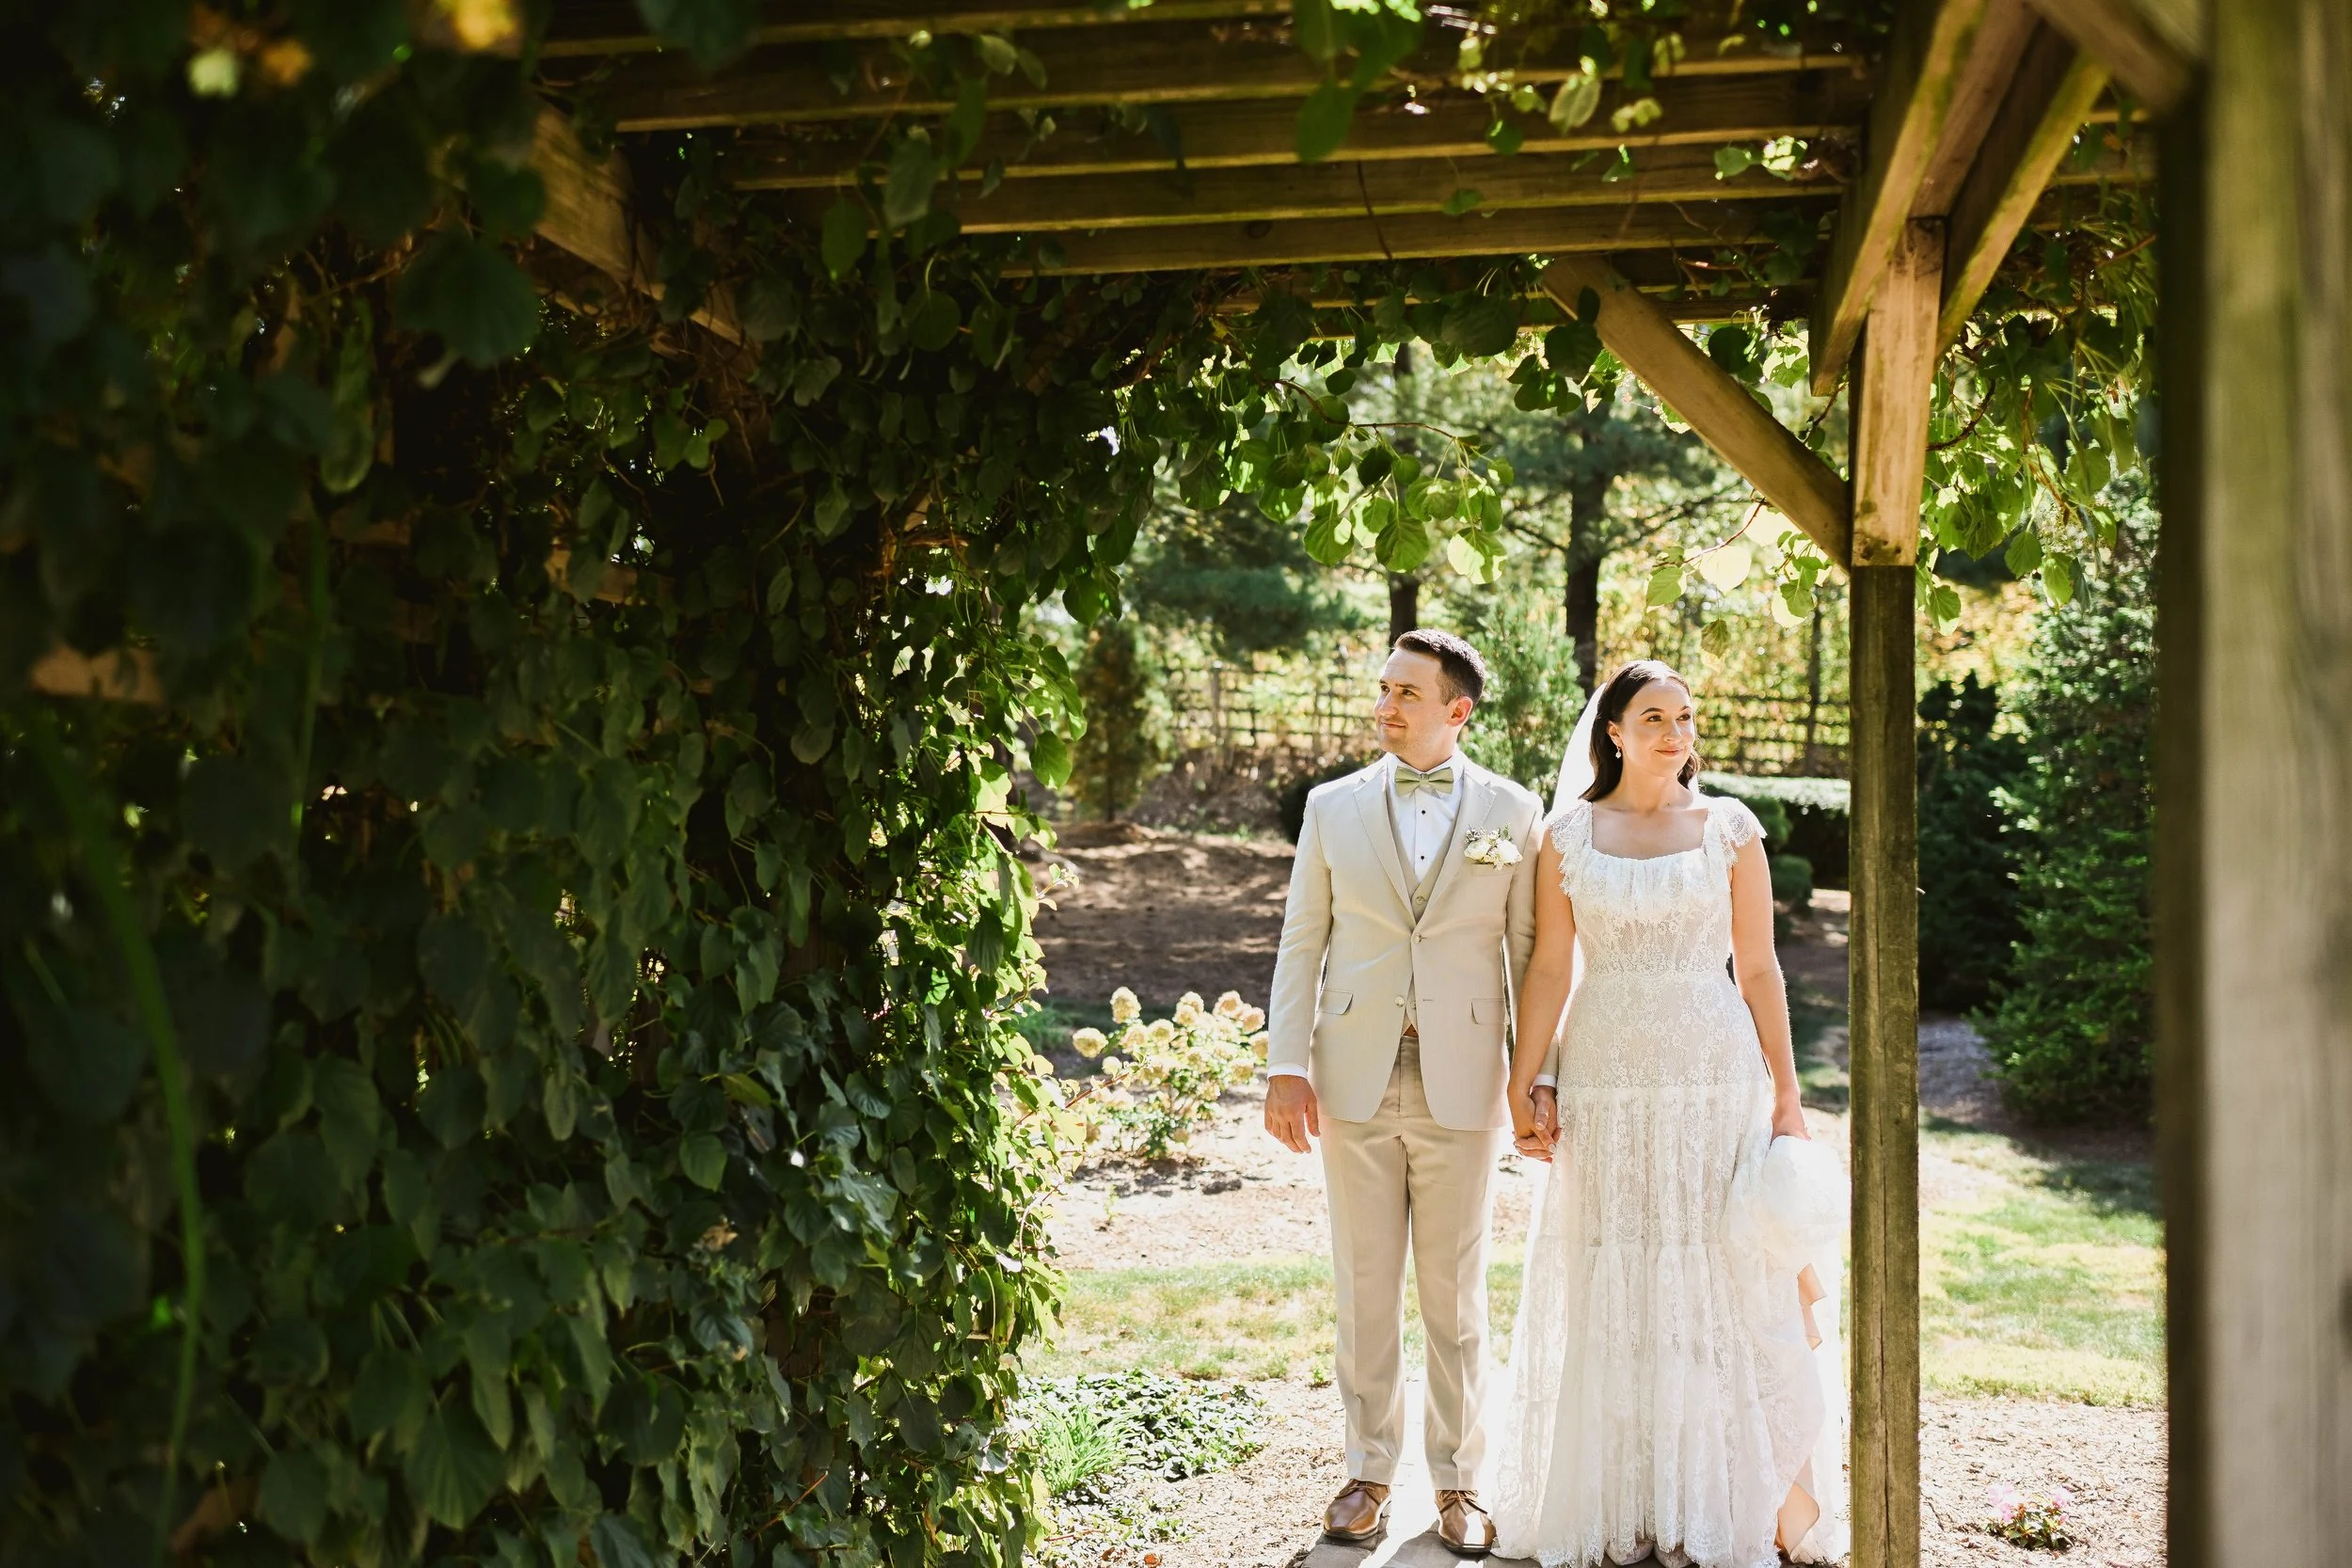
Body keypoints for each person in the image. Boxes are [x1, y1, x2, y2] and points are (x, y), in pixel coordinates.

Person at [1488, 657, 1849, 1568]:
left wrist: (1786, 1093)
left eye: (1684, 716)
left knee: (1720, 1277)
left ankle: (1723, 1503)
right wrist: (1524, 1076)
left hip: (1713, 1077)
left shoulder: (1729, 829)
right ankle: (1627, 1502)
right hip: (1605, 1077)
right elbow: (1547, 969)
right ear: (1613, 730)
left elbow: (1760, 968)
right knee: (1619, 1266)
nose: (1675, 732)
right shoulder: (1568, 834)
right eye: (1654, 716)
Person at [1263, 629, 1547, 1557]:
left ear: (1456, 710)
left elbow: (1527, 951)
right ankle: (1366, 1470)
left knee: (1455, 1293)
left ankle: (1461, 1480)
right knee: (1365, 1282)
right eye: (1382, 689)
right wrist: (1285, 1061)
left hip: (1462, 1079)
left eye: (1406, 694)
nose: (1384, 706)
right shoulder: (1331, 806)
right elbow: (1302, 936)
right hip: (1351, 1071)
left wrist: (1535, 1072)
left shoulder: (1511, 807)